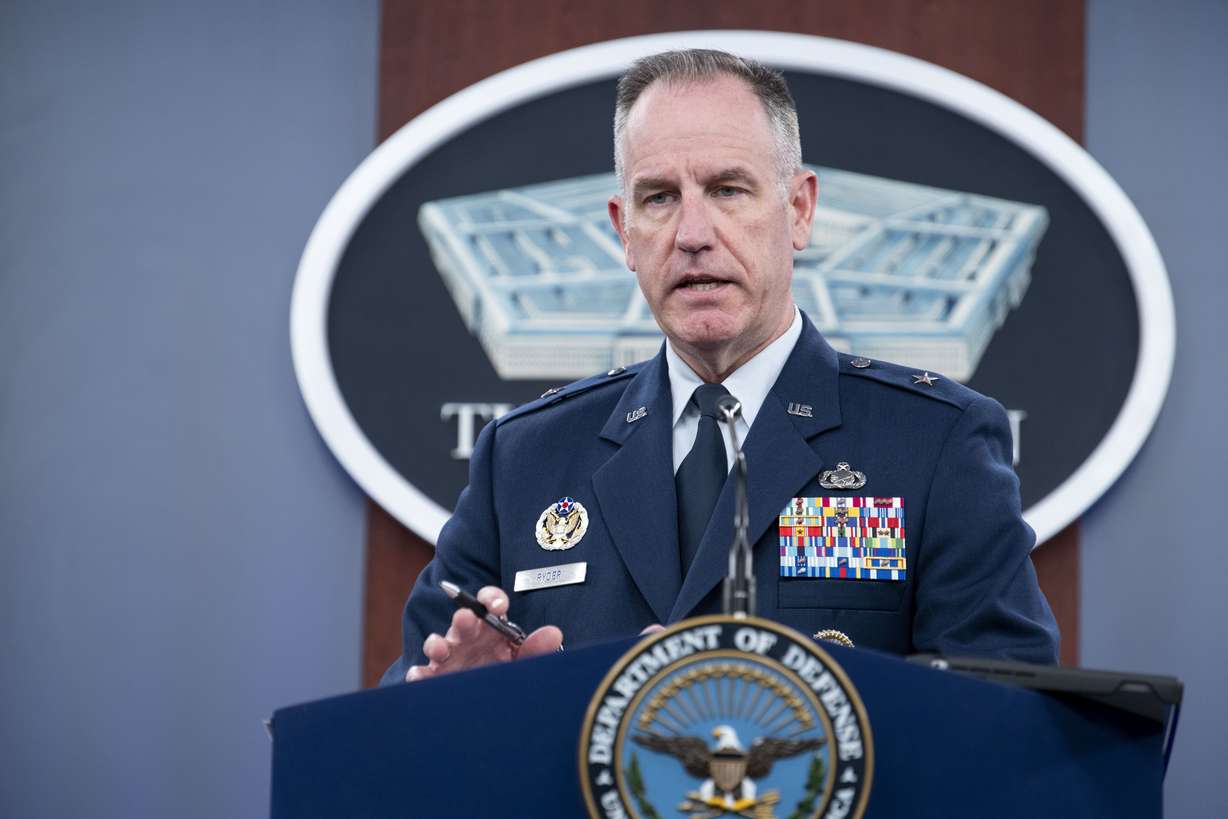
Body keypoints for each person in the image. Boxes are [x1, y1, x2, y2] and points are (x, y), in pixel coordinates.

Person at [381, 49, 1058, 685]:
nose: (693, 233)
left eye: (728, 189)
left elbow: (1006, 725)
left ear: (799, 209)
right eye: (658, 198)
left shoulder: (932, 443)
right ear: (624, 230)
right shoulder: (525, 458)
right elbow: (398, 728)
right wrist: (457, 705)